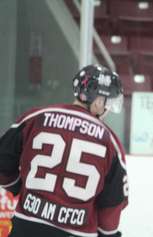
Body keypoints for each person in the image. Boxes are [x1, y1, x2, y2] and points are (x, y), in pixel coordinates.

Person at [0, 64, 128, 237]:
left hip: (26, 227)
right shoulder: (110, 141)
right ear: (98, 100)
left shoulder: (36, 117)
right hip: (76, 232)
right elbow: (112, 205)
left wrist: (15, 187)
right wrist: (108, 234)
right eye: (108, 102)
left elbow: (3, 159)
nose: (108, 110)